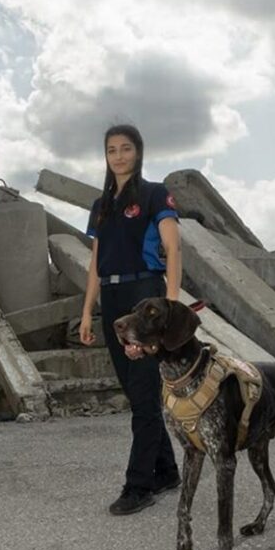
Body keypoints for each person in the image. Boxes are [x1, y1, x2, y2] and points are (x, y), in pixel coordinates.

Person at [79, 124, 182, 516]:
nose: (119, 156)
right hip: (112, 298)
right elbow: (95, 263)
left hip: (144, 297)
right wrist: (87, 311)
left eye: (126, 148)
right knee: (138, 393)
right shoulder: (101, 205)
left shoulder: (154, 194)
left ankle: (139, 485)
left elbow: (173, 248)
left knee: (143, 394)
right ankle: (167, 471)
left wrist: (170, 305)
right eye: (111, 150)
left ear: (138, 152)